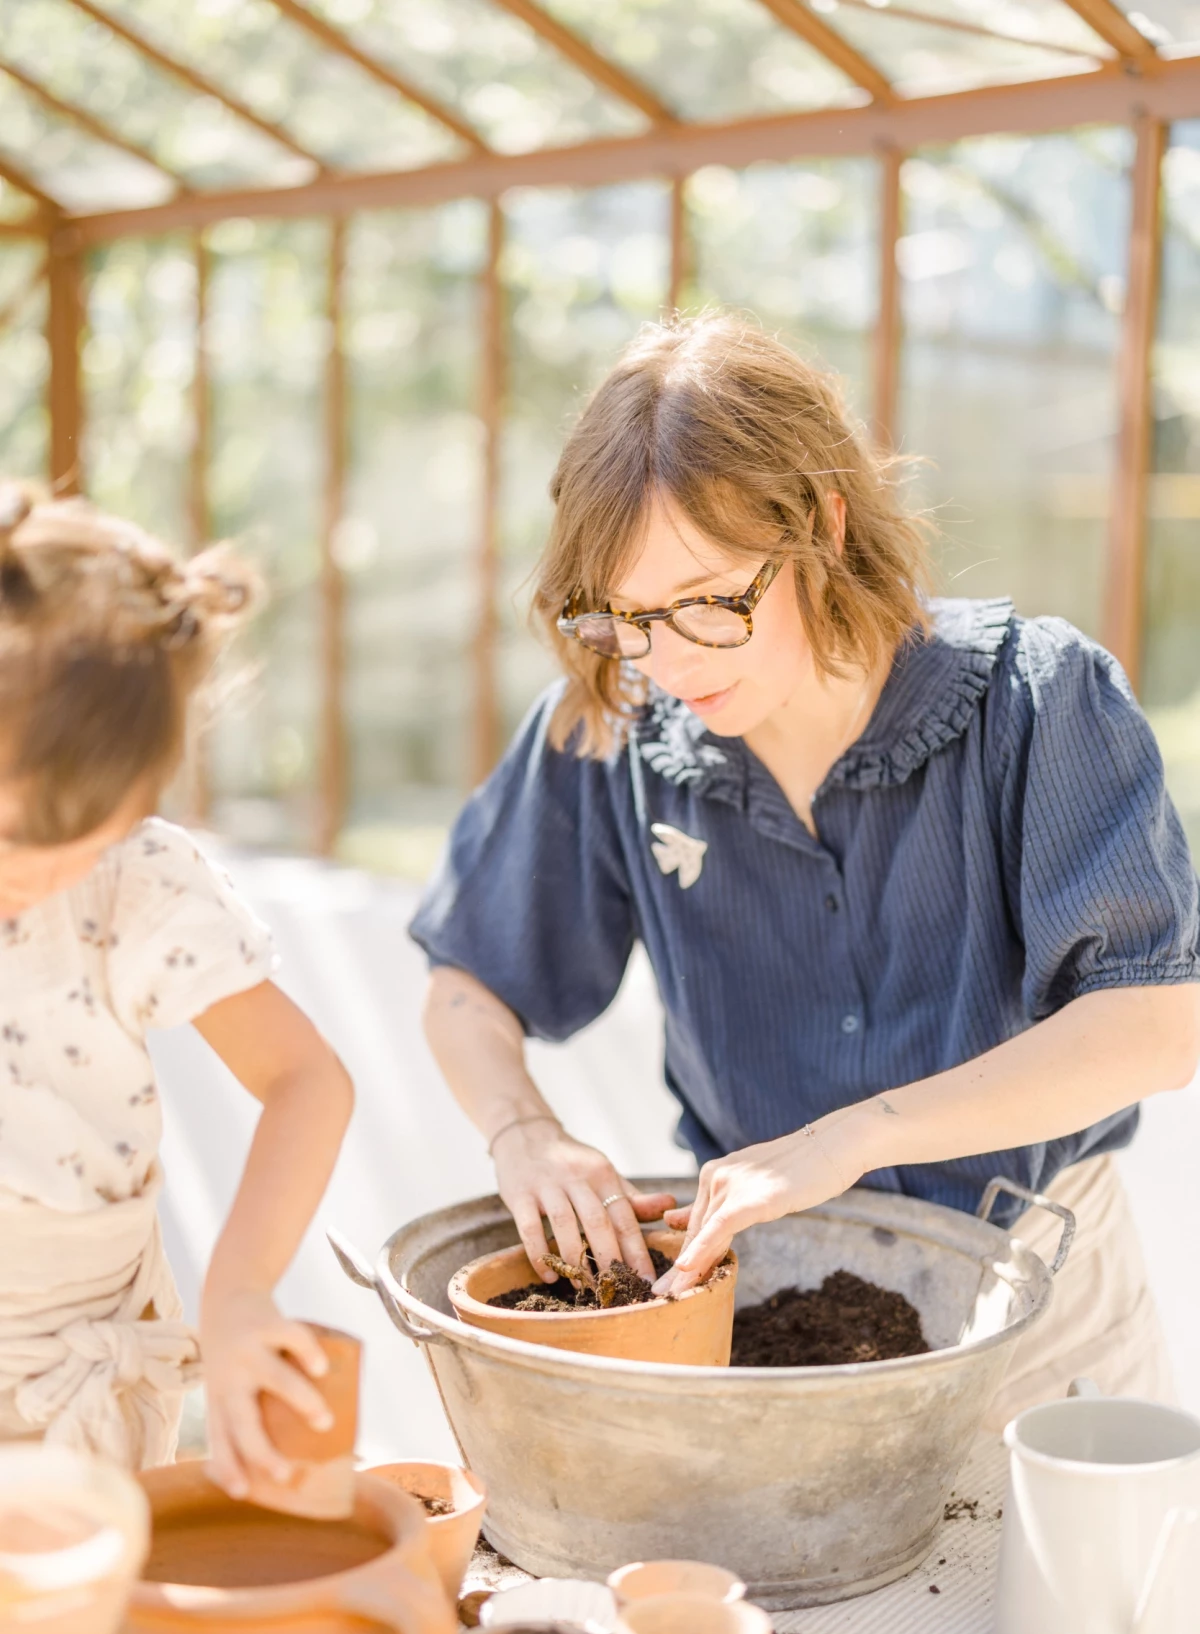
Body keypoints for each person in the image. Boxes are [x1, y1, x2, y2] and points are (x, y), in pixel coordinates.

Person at [411, 315, 1200, 1420]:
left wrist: (853, 1139)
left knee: (1074, 1595)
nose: (670, 659)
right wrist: (522, 1130)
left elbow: (1155, 1031)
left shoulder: (1039, 700)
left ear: (823, 525)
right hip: (766, 1309)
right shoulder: (613, 725)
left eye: (712, 601)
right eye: (628, 616)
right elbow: (465, 988)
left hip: (1039, 1303)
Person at [0, 481, 353, 1490]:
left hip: (69, 1385)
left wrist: (239, 1294)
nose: (26, 873)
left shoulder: (134, 890)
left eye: (76, 838)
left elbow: (307, 1083)